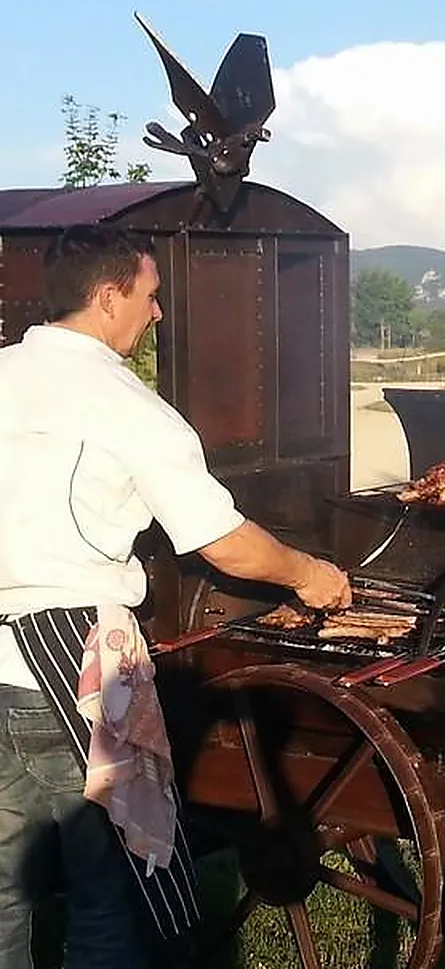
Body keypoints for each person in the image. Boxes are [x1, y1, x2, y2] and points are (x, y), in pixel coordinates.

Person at [0, 225, 351, 968]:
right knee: (112, 892)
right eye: (150, 297)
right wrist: (307, 574)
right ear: (106, 299)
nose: (156, 315)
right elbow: (220, 540)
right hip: (64, 668)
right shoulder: (126, 405)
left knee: (4, 888)